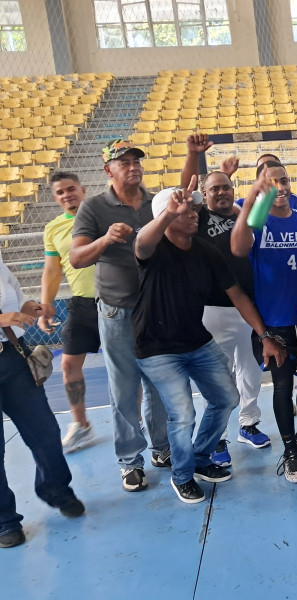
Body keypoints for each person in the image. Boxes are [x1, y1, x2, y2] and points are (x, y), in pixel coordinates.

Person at [132, 183, 285, 503]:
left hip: (196, 342)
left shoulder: (206, 251)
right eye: (184, 210)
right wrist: (167, 214)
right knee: (183, 412)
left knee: (225, 397)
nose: (194, 213)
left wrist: (265, 336)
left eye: (194, 209)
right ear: (165, 215)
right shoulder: (154, 248)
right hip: (158, 347)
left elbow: (238, 294)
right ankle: (183, 475)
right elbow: (142, 243)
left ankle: (201, 457)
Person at [70, 139, 170, 492]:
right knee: (125, 388)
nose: (132, 166)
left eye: (136, 160)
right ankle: (130, 461)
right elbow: (77, 257)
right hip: (116, 311)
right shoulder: (95, 208)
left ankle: (161, 447)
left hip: (155, 308)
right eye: (123, 161)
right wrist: (106, 240)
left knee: (158, 382)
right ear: (108, 169)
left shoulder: (154, 202)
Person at [231, 164, 297, 484]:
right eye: (271, 182)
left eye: (284, 180)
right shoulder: (258, 221)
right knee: (283, 385)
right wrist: (253, 198)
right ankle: (289, 450)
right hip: (274, 323)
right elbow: (237, 247)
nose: (280, 187)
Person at [1, 259, 85, 549]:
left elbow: (12, 290)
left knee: (46, 433)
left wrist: (28, 306)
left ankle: (57, 490)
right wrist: (2, 319)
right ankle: (5, 521)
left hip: (13, 357)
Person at [193, 169, 269, 467]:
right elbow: (189, 188)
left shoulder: (241, 215)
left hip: (248, 306)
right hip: (213, 308)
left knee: (251, 370)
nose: (222, 193)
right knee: (218, 378)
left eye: (226, 187)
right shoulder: (198, 217)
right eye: (215, 189)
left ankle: (248, 423)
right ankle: (217, 437)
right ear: (205, 194)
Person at [38, 172, 100, 453]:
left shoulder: (101, 215)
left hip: (116, 302)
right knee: (68, 365)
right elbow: (52, 270)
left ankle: (135, 422)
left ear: (83, 189)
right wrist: (45, 305)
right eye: (60, 192)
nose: (67, 195)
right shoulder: (52, 229)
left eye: (71, 189)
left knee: (126, 366)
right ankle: (82, 425)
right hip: (81, 304)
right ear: (55, 197)